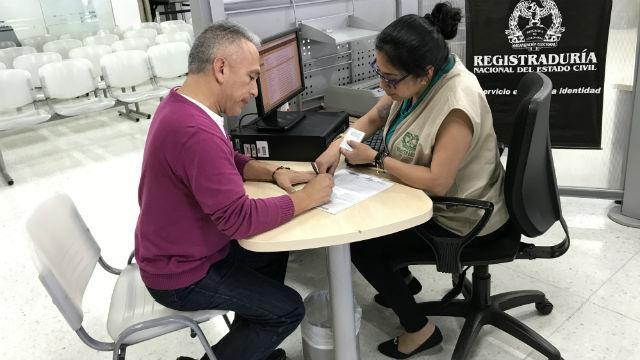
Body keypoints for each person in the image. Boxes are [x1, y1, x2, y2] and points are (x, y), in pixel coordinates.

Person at [315, 3, 511, 359]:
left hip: (464, 216)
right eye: (380, 73)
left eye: (391, 79)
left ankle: (420, 331)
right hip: (444, 198)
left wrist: (375, 159)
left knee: (362, 245)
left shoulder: (455, 104)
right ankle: (402, 281)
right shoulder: (422, 79)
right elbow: (375, 114)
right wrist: (337, 147)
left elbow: (437, 182)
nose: (383, 85)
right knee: (371, 221)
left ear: (426, 73)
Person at [135, 21, 333, 360]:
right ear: (221, 68)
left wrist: (275, 173)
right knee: (287, 310)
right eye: (253, 76)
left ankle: (248, 349)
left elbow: (229, 156)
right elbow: (238, 219)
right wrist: (307, 198)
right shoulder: (193, 131)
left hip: (180, 250)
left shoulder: (182, 105)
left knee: (271, 253)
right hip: (182, 273)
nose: (255, 91)